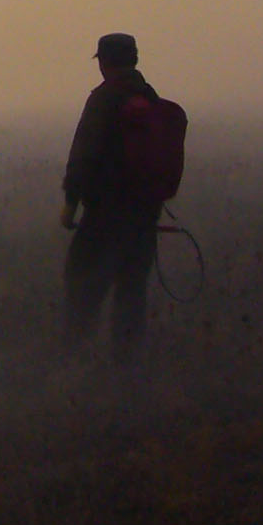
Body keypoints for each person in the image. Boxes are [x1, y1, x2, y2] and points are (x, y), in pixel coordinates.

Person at [61, 32, 175, 357]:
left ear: (105, 62)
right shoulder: (149, 96)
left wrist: (70, 203)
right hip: (145, 215)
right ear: (135, 59)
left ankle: (75, 360)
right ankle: (128, 369)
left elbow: (84, 153)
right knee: (131, 293)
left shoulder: (104, 98)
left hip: (105, 216)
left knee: (82, 286)